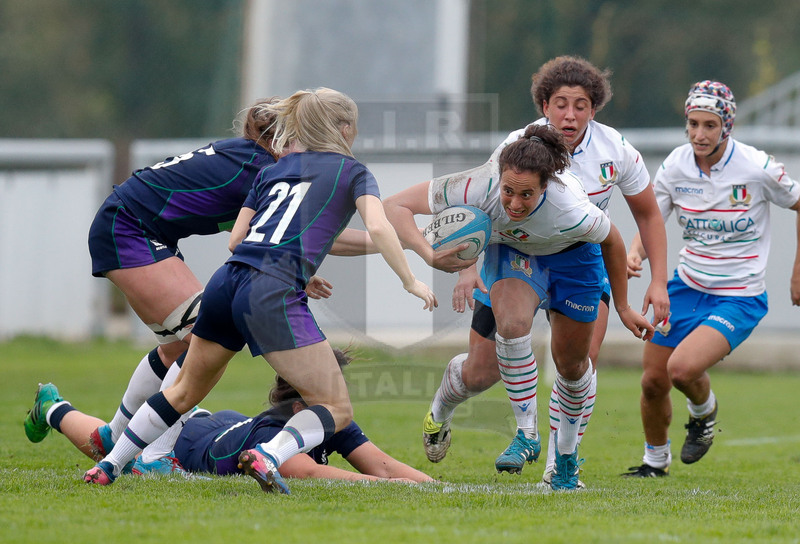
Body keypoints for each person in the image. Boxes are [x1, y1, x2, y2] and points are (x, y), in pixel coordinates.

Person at [83, 87, 438, 493]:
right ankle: (267, 455)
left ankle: (111, 463)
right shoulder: (352, 171)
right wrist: (410, 278)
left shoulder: (271, 171)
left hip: (227, 279)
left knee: (182, 390)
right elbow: (377, 226)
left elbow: (238, 240)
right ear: (344, 129)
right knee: (335, 407)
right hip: (268, 290)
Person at [22, 98, 377, 469]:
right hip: (128, 227)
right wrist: (395, 241)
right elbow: (316, 233)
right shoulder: (265, 168)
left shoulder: (257, 161)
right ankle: (157, 457)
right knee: (199, 333)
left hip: (133, 225)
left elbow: (276, 234)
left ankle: (63, 413)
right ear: (285, 138)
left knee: (179, 351)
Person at [411, 56, 670, 485]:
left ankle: (559, 466)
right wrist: (464, 269)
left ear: (594, 109)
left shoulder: (617, 151)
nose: (570, 115)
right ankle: (440, 410)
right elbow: (479, 208)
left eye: (581, 105)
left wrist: (657, 281)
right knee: (481, 371)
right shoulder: (517, 146)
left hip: (582, 257)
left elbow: (647, 215)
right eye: (561, 104)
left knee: (578, 363)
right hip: (516, 253)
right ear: (544, 104)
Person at [622, 80, 800, 477]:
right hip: (686, 287)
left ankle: (704, 413)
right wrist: (635, 251)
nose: (699, 134)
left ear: (727, 126)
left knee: (681, 370)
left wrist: (797, 268)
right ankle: (655, 462)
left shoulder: (756, 166)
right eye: (693, 124)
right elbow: (653, 219)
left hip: (739, 297)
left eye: (709, 125)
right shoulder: (675, 165)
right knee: (652, 381)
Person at [23, 349, 434, 483]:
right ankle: (52, 406)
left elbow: (380, 463)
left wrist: (434, 486)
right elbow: (308, 473)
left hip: (217, 424)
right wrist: (397, 488)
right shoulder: (279, 434)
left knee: (118, 441)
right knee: (110, 448)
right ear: (298, 405)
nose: (342, 400)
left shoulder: (327, 415)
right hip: (188, 442)